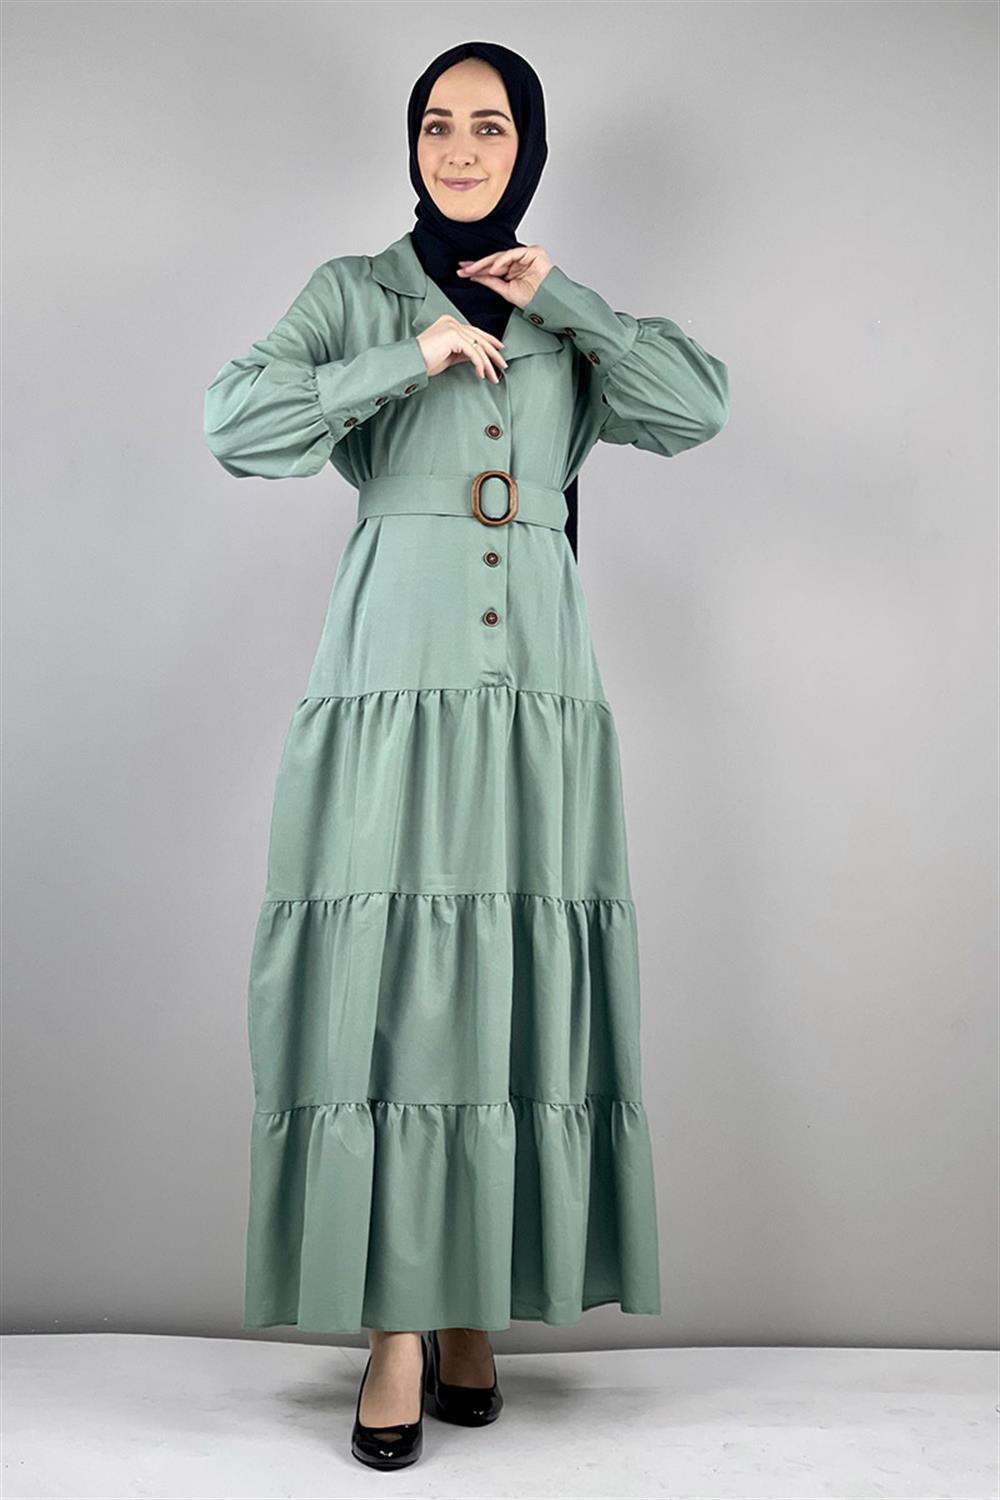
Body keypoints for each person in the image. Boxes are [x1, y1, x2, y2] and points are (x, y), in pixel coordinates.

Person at [203, 39, 729, 1473]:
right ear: (414, 144)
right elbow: (234, 421)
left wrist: (564, 298)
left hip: (536, 687)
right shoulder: (354, 291)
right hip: (392, 674)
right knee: (391, 982)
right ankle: (395, 1325)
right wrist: (407, 355)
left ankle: (471, 1300)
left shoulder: (562, 315)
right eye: (438, 123)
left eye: (491, 126)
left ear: (528, 148)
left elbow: (695, 408)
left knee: (507, 976)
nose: (460, 148)